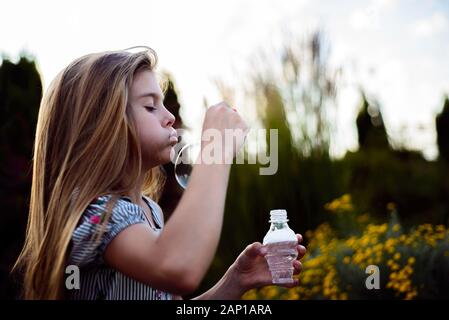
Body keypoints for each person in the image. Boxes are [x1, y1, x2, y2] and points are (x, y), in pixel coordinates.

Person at [13, 47, 306, 300]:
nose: (170, 118)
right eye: (150, 106)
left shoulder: (150, 211)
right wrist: (215, 151)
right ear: (103, 125)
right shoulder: (95, 214)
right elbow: (178, 268)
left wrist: (233, 282)